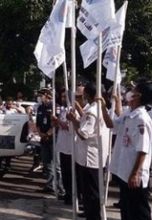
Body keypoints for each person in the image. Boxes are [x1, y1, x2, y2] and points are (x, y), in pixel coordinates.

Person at [109, 80, 152, 220]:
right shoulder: (130, 113)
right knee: (127, 209)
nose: (130, 92)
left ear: (138, 95)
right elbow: (114, 122)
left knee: (139, 211)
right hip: (125, 171)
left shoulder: (141, 119)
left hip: (134, 173)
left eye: (133, 90)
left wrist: (135, 173)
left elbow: (143, 150)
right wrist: (109, 103)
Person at [67, 82, 110, 220]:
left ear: (87, 94)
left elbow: (84, 134)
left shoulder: (92, 111)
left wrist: (73, 120)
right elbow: (86, 128)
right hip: (94, 156)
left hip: (89, 158)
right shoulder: (99, 109)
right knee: (91, 193)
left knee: (91, 194)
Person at [35, 88, 65, 196]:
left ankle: (61, 189)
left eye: (41, 95)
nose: (39, 97)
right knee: (47, 163)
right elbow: (37, 124)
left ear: (47, 95)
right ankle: (50, 185)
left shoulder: (54, 107)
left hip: (53, 138)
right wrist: (40, 134)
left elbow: (56, 124)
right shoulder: (40, 108)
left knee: (57, 165)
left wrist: (48, 134)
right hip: (43, 139)